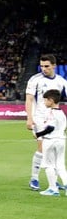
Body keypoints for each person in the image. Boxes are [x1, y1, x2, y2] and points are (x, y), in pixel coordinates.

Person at [25, 54, 67, 191]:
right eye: (42, 66)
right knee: (42, 148)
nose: (44, 69)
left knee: (53, 151)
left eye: (47, 66)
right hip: (39, 118)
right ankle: (34, 178)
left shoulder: (61, 81)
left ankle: (53, 182)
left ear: (54, 65)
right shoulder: (35, 80)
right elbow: (29, 99)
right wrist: (29, 118)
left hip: (54, 118)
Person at [35, 89, 67, 196]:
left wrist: (39, 134)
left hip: (50, 141)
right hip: (61, 140)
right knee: (60, 165)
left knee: (48, 165)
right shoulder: (62, 113)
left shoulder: (51, 112)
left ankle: (53, 189)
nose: (44, 102)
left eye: (45, 100)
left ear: (51, 100)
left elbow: (50, 128)